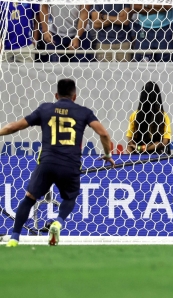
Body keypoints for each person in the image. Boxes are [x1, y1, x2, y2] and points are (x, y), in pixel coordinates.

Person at [2, 79, 114, 247]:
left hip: (47, 162)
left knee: (29, 198)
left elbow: (14, 127)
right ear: (74, 96)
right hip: (70, 164)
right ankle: (58, 222)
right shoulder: (84, 112)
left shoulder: (45, 109)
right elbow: (104, 134)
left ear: (56, 95)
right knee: (70, 197)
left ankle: (14, 238)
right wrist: (107, 154)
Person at [126, 81, 172, 154]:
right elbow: (164, 142)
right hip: (157, 156)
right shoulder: (163, 115)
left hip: (139, 154)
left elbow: (130, 140)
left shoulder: (135, 114)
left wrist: (140, 148)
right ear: (158, 96)